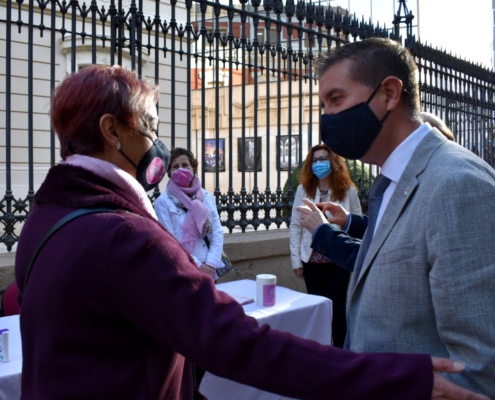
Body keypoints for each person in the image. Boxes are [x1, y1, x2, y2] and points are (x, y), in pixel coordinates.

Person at [14, 65, 487, 400]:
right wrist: (398, 378)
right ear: (112, 130)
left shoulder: (46, 214)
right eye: (150, 125)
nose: (156, 141)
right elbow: (238, 343)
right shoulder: (122, 236)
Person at [297, 37, 495, 398]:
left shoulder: (457, 184)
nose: (326, 118)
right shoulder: (389, 181)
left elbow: (479, 369)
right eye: (322, 105)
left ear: (389, 93)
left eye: (336, 99)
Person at [290, 143, 361, 347]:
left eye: (323, 159)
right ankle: (319, 349)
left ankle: (339, 350)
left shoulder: (347, 191)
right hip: (311, 257)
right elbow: (295, 226)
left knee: (337, 307)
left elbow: (355, 223)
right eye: (314, 160)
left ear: (334, 163)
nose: (318, 164)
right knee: (316, 306)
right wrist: (296, 260)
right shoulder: (303, 189)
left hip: (338, 257)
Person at [155, 148, 223, 280]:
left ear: (193, 167)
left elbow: (217, 231)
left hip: (210, 271)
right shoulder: (163, 202)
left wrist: (211, 264)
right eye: (175, 166)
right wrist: (198, 266)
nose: (181, 169)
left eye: (185, 165)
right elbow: (170, 241)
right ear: (169, 171)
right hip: (182, 270)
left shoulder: (207, 196)